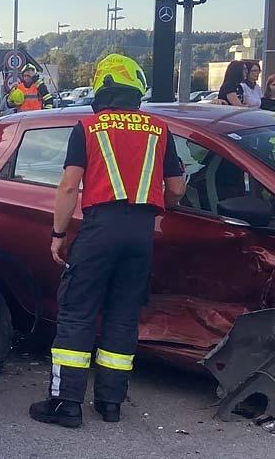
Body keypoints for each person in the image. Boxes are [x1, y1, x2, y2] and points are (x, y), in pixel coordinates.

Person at [30, 54, 187, 430]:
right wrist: (157, 208)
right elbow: (177, 188)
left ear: (101, 88)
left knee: (77, 312)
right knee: (122, 315)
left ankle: (66, 403)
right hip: (141, 233)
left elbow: (69, 187)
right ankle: (110, 403)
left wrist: (57, 234)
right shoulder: (159, 129)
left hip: (100, 228)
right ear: (136, 88)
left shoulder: (88, 127)